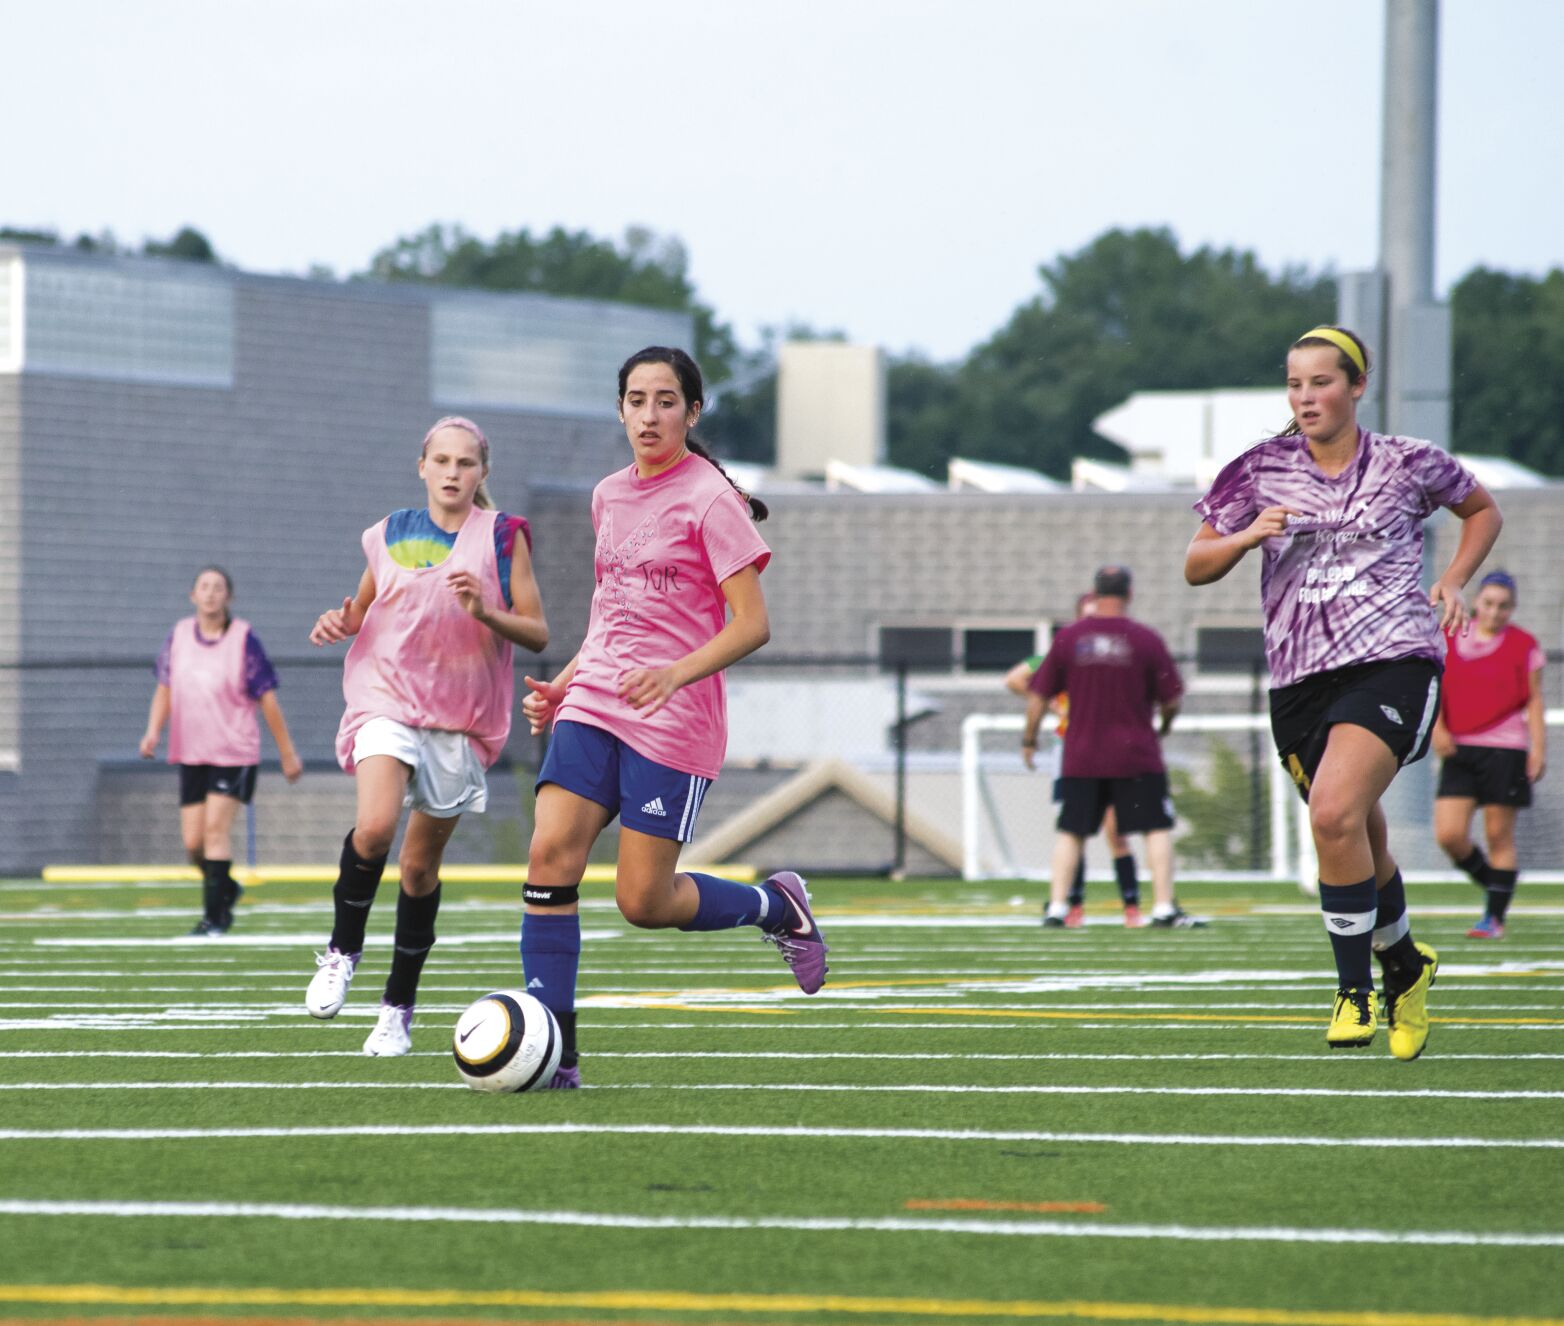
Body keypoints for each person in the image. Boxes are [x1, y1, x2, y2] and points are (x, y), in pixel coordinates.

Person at [1185, 324, 1502, 1059]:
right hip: (1300, 682)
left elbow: (1482, 510)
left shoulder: (1407, 462)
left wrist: (1452, 580)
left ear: (1357, 386)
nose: (1306, 397)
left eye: (1321, 382)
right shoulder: (1259, 470)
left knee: (1332, 814)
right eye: (1295, 384)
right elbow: (1196, 564)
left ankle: (1354, 990)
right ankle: (1406, 966)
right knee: (1357, 832)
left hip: (1393, 661)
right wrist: (1241, 539)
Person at [519, 345, 827, 1089]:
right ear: (619, 409)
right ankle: (555, 1055)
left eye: (665, 401)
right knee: (550, 856)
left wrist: (673, 674)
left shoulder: (711, 500)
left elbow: (752, 625)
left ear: (693, 411)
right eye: (635, 400)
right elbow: (611, 612)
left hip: (674, 716)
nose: (649, 415)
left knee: (643, 901)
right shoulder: (607, 495)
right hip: (596, 702)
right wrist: (564, 685)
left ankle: (774, 905)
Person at [303, 417, 548, 1057]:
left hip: (459, 722)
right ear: (421, 467)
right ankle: (341, 951)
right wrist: (340, 620)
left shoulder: (502, 537)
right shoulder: (388, 533)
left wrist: (485, 612)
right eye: (440, 460)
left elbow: (538, 633)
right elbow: (361, 610)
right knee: (376, 827)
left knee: (418, 869)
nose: (451, 472)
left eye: (465, 463)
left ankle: (396, 1009)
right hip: (386, 700)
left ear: (482, 473)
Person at [1023, 566, 1199, 929]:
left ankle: (1057, 907)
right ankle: (1164, 906)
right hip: (1136, 754)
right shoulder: (1145, 639)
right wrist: (1163, 726)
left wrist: (1029, 739)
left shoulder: (1069, 638)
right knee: (1156, 828)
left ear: (1095, 592)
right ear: (1129, 594)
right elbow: (1171, 698)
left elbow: (1038, 693)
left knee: (1071, 830)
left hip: (1081, 753)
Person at [140, 566, 302, 936]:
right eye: (204, 587)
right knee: (193, 843)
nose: (211, 594)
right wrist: (153, 731)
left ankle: (215, 918)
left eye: (218, 588)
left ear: (229, 597)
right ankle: (225, 886)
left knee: (215, 831)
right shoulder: (179, 636)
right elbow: (165, 687)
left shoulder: (244, 639)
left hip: (234, 750)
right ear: (192, 595)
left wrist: (287, 752)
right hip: (191, 750)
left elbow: (268, 700)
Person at [1006, 592, 1144, 926]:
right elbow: (1015, 677)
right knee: (1075, 829)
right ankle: (1073, 904)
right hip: (1076, 751)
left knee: (1116, 830)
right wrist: (1051, 702)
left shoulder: (1119, 652)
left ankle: (1131, 905)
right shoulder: (1065, 652)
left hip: (1113, 751)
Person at [1432, 570, 1545, 939]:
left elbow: (1533, 700)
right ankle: (1498, 888)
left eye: (1504, 606)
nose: (1495, 612)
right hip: (1459, 748)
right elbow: (1434, 687)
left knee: (1499, 835)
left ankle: (1493, 919)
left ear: (1512, 608)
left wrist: (1538, 749)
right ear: (1476, 602)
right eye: (1489, 604)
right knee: (1449, 834)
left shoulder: (1524, 645)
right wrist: (1438, 728)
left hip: (1505, 749)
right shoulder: (1450, 635)